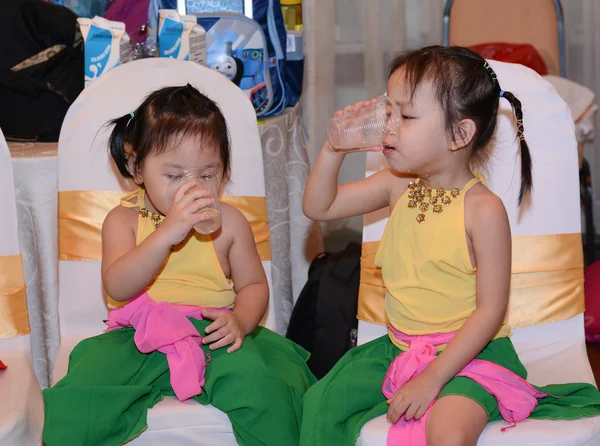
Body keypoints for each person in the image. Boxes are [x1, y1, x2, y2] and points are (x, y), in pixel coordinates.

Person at [300, 46, 600, 446]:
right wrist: (333, 149)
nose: (388, 127)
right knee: (320, 403)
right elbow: (320, 207)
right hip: (395, 348)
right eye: (389, 112)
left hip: (469, 356)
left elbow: (490, 312)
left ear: (459, 134)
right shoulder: (396, 184)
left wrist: (432, 377)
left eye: (405, 117)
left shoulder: (483, 210)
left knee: (449, 432)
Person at [43, 84, 315, 446]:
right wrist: (167, 232)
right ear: (136, 167)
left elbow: (253, 286)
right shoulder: (123, 221)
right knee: (79, 395)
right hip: (139, 337)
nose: (193, 187)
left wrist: (241, 321)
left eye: (207, 175)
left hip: (212, 333)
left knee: (264, 391)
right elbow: (118, 287)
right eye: (174, 176)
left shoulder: (229, 222)